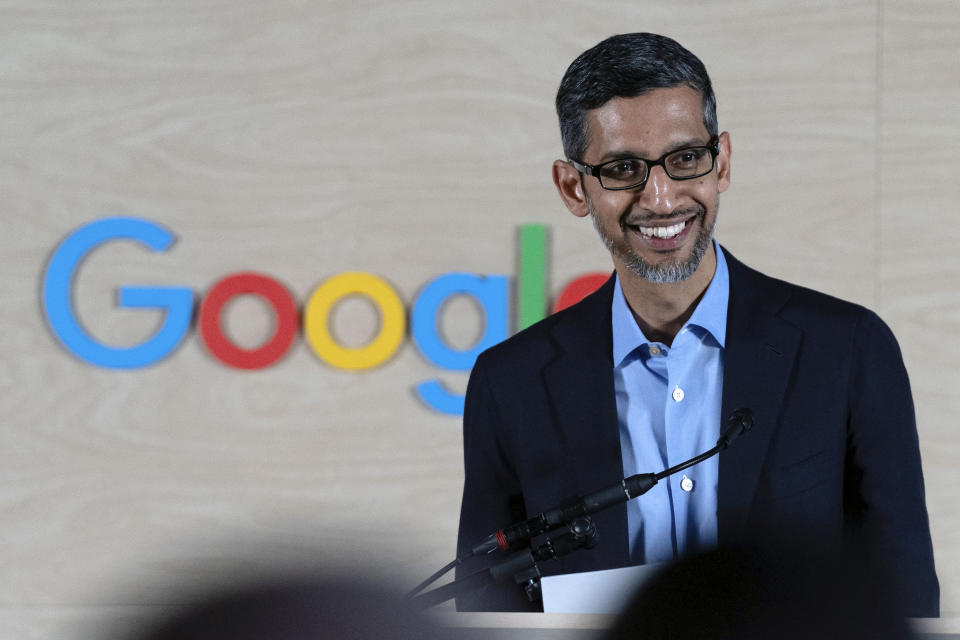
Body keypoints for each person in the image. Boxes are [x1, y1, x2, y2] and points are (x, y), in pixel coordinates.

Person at [455, 33, 938, 615]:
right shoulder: (510, 383)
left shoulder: (848, 349)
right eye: (623, 168)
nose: (660, 198)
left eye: (685, 159)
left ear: (722, 162)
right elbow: (488, 609)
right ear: (572, 187)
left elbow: (903, 593)